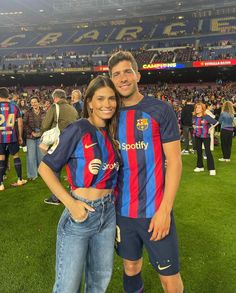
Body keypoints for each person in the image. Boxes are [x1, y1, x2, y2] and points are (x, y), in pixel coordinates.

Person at [108, 51, 184, 293]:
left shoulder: (160, 110)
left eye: (127, 71)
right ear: (111, 80)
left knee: (169, 279)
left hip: (155, 212)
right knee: (130, 266)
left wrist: (165, 209)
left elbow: (174, 161)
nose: (123, 78)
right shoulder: (108, 115)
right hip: (122, 213)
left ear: (137, 75)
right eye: (116, 74)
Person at [38, 75, 121, 293]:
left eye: (111, 99)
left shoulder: (113, 132)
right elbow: (45, 168)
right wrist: (70, 204)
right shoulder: (78, 129)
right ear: (90, 102)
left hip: (108, 212)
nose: (107, 104)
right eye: (100, 99)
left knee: (99, 283)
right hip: (80, 214)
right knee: (67, 287)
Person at [41, 89, 78, 205]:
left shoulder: (55, 107)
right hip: (73, 141)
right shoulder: (72, 108)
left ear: (56, 98)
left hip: (59, 142)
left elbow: (45, 125)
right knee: (73, 169)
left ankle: (56, 197)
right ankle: (75, 193)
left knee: (54, 169)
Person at [0, 87, 27, 190]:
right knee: (16, 157)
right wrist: (20, 136)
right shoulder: (14, 106)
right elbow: (20, 124)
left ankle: (1, 184)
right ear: (8, 95)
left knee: (1, 159)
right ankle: (20, 179)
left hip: (0, 138)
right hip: (12, 137)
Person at [192, 102, 218, 176]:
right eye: (196, 107)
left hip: (206, 136)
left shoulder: (206, 116)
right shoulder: (194, 116)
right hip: (197, 136)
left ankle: (212, 169)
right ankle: (200, 166)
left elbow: (216, 122)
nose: (197, 109)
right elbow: (193, 123)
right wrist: (194, 126)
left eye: (199, 107)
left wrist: (210, 128)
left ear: (202, 109)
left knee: (208, 152)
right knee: (199, 151)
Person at [24, 96, 45, 180]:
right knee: (31, 156)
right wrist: (32, 132)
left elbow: (47, 123)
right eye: (32, 103)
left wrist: (41, 132)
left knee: (41, 155)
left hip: (41, 134)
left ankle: (42, 173)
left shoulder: (44, 112)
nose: (33, 104)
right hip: (30, 135)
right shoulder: (27, 112)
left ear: (38, 102)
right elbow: (24, 124)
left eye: (35, 102)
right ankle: (32, 175)